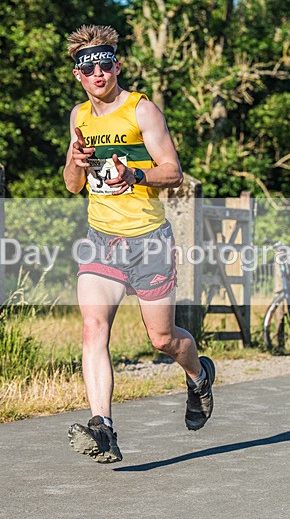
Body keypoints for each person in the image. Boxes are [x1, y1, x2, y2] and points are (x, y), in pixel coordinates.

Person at [62, 24, 215, 464]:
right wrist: (74, 163)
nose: (98, 75)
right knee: (93, 330)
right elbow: (73, 185)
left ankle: (198, 374)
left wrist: (136, 175)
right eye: (89, 68)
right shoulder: (79, 117)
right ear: (78, 75)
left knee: (163, 339)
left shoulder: (141, 109)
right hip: (100, 239)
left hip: (148, 239)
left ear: (117, 66)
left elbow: (174, 172)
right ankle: (103, 428)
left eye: (105, 65)